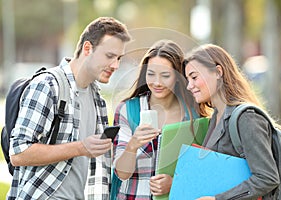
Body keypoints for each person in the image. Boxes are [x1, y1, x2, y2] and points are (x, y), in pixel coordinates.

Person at [7, 17, 131, 200]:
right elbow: (18, 152)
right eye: (110, 56)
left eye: (119, 58)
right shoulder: (48, 85)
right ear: (87, 48)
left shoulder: (98, 99)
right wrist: (80, 147)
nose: (116, 65)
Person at [183, 43, 280, 200]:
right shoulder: (215, 117)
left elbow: (267, 178)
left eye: (194, 77)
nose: (189, 86)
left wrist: (218, 199)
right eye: (188, 79)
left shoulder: (247, 117)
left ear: (218, 72)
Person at [112, 39, 203, 199]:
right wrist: (132, 146)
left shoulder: (194, 114)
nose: (157, 82)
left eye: (165, 75)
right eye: (151, 74)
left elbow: (201, 171)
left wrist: (174, 182)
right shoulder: (128, 109)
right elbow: (122, 174)